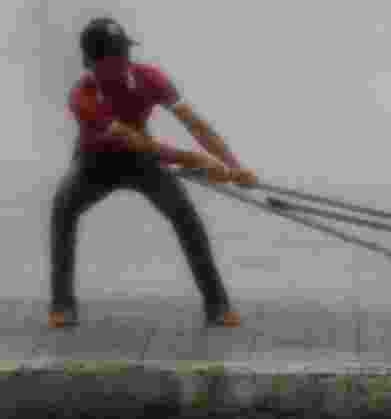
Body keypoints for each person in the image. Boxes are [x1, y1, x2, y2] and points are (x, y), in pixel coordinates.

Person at [49, 17, 258, 329]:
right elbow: (134, 141)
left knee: (185, 216)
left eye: (124, 51)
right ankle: (62, 307)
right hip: (95, 163)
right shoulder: (84, 97)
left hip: (142, 162)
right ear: (92, 63)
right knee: (63, 209)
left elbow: (195, 124)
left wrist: (233, 166)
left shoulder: (150, 78)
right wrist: (196, 161)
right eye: (113, 55)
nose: (123, 61)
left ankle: (217, 305)